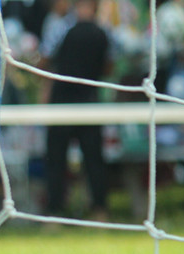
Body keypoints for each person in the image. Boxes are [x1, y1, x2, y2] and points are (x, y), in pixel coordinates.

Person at [43, 0, 111, 220]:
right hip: (89, 100)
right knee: (94, 159)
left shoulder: (58, 27)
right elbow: (108, 66)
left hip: (62, 102)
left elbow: (45, 59)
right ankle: (99, 211)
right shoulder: (104, 32)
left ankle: (54, 214)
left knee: (56, 160)